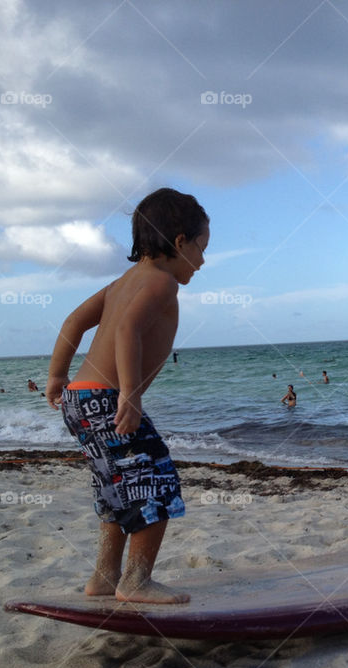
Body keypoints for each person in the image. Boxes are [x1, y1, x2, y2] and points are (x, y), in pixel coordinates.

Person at [45, 187, 209, 604]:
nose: (203, 262)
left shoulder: (121, 283)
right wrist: (130, 397)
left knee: (116, 486)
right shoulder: (162, 283)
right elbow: (126, 331)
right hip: (108, 398)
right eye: (202, 249)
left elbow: (73, 321)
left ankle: (104, 576)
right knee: (156, 481)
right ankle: (136, 581)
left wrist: (57, 375)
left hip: (79, 400)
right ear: (180, 242)